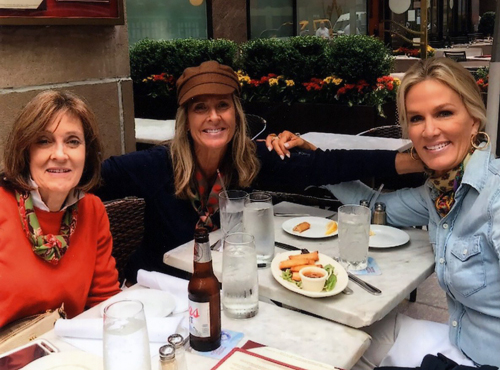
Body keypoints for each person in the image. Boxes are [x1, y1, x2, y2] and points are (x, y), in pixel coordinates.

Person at [98, 60, 422, 284]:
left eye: (222, 105)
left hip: (227, 286)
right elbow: (94, 178)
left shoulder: (250, 160)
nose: (213, 117)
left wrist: (410, 160)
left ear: (235, 113)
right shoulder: (157, 164)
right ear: (187, 119)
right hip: (159, 288)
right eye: (200, 108)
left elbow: (328, 166)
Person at [325, 57, 500, 367]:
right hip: (462, 344)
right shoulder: (440, 193)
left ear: (474, 120)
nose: (429, 130)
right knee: (341, 339)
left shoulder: (495, 196)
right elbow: (372, 208)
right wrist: (315, 164)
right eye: (417, 118)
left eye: (444, 113)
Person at [0, 90, 120, 327]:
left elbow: (104, 302)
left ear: (87, 152)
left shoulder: (92, 210)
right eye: (44, 141)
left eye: (73, 141)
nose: (60, 154)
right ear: (25, 151)